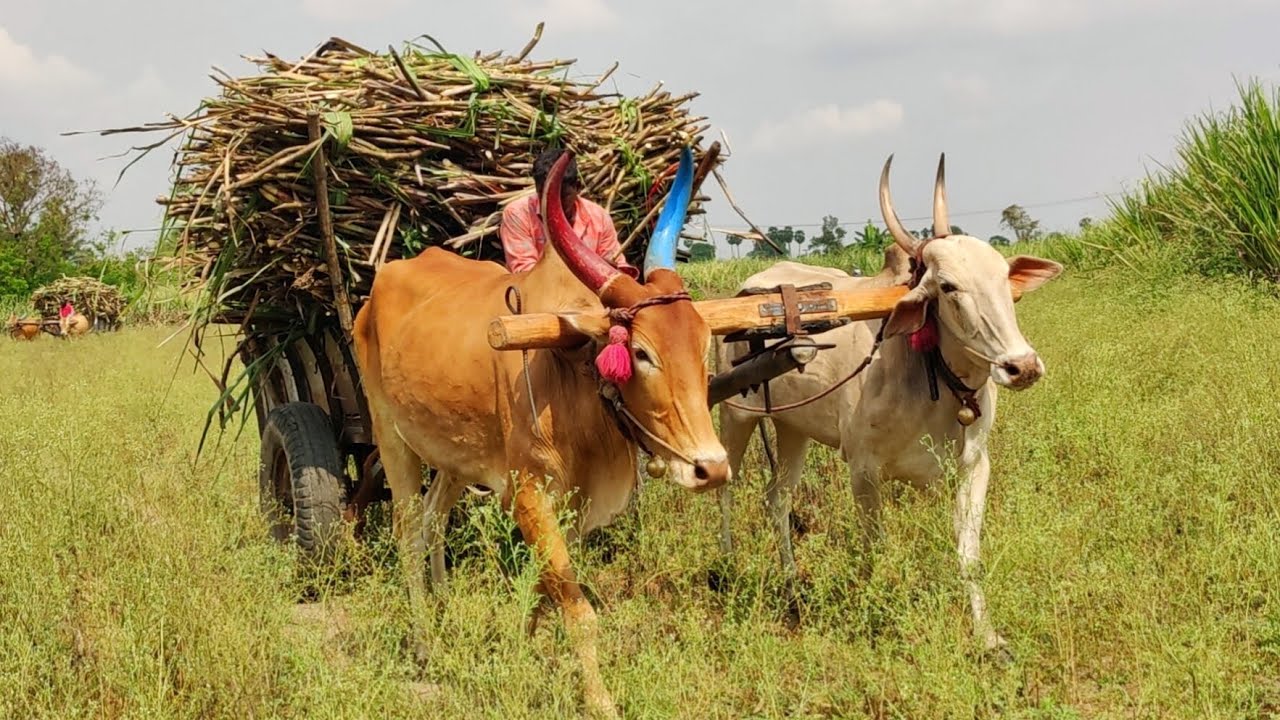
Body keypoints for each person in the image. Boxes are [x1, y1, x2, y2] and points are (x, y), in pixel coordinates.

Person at [500, 148, 639, 278]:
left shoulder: (599, 218)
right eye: (546, 195)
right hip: (540, 297)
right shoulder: (517, 214)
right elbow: (525, 273)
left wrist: (614, 270)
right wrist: (590, 270)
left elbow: (617, 268)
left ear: (577, 187)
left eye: (562, 196)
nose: (553, 204)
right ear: (537, 189)